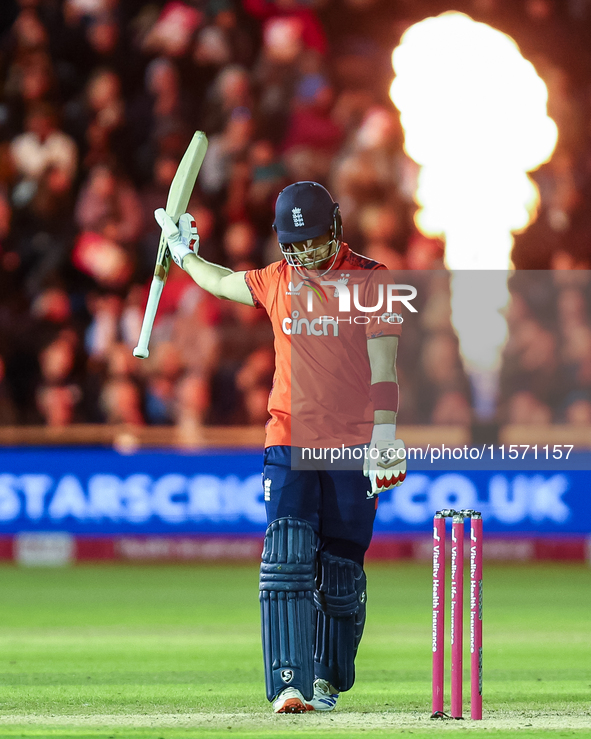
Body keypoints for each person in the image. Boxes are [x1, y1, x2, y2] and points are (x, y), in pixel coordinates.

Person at [154, 181, 407, 713]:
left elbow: (385, 365)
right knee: (288, 556)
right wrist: (183, 253)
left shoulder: (370, 279)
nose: (305, 254)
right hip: (288, 439)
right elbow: (222, 283)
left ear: (335, 228)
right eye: (295, 244)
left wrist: (385, 433)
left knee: (339, 571)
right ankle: (288, 682)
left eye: (313, 241)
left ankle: (326, 678)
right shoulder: (278, 278)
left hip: (352, 446)